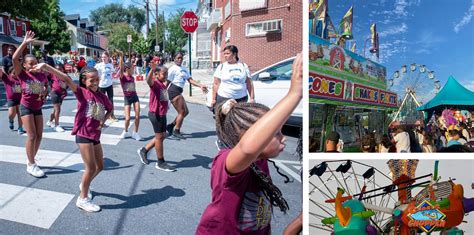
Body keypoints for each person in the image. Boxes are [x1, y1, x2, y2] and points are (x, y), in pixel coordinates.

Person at [196, 53, 302, 234]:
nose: (283, 137)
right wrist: (294, 94)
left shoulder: (260, 162)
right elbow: (247, 148)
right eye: (275, 133)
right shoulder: (226, 161)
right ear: (250, 136)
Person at [33, 63, 113, 212]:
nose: (95, 83)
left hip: (96, 135)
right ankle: (82, 199)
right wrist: (45, 66)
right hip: (83, 134)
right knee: (90, 168)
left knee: (100, 166)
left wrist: (103, 121)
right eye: (91, 80)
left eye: (97, 79)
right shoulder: (82, 92)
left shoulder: (102, 96)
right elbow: (66, 78)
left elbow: (110, 108)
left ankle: (84, 185)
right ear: (84, 81)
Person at [12, 31, 50, 177]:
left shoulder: (41, 74)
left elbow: (45, 86)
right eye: (31, 63)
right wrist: (25, 43)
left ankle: (30, 159)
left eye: (35, 63)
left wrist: (44, 94)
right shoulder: (22, 74)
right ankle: (31, 164)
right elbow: (15, 58)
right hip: (26, 107)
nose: (34, 65)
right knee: (32, 136)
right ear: (25, 65)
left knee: (40, 135)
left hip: (38, 108)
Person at [136, 62, 176, 172]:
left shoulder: (163, 85)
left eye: (167, 73)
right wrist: (151, 71)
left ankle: (144, 150)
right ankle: (160, 162)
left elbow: (164, 99)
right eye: (164, 74)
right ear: (157, 74)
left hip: (162, 114)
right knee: (159, 138)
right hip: (156, 114)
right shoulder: (156, 84)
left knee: (162, 136)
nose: (166, 75)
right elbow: (148, 81)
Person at [166, 52, 208, 138]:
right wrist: (162, 94)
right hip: (173, 91)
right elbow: (167, 82)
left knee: (186, 112)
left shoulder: (184, 69)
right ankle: (176, 130)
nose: (179, 59)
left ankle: (171, 126)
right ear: (174, 59)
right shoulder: (172, 69)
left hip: (179, 91)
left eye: (181, 58)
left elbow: (190, 80)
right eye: (178, 58)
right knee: (182, 112)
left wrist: (201, 85)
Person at [211, 45, 254, 110]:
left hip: (241, 99)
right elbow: (216, 83)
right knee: (225, 118)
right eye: (224, 54)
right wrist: (214, 99)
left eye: (228, 53)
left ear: (234, 54)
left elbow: (249, 83)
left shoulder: (243, 66)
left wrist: (252, 98)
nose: (225, 55)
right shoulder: (221, 66)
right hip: (224, 98)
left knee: (239, 118)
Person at [117, 52, 142, 140]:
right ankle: (126, 131)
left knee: (137, 116)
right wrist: (121, 57)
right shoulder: (122, 77)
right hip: (127, 98)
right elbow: (120, 69)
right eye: (132, 68)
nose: (133, 70)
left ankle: (135, 133)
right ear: (127, 69)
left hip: (135, 97)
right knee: (127, 118)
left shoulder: (132, 77)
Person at [1, 66, 25, 134]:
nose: (15, 74)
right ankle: (11, 120)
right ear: (10, 73)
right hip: (11, 99)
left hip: (21, 99)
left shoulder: (21, 79)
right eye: (13, 73)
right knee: (12, 113)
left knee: (20, 114)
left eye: (16, 73)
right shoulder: (7, 78)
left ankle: (20, 128)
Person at [46, 63, 68, 132]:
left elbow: (66, 86)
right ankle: (57, 125)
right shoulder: (53, 75)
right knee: (57, 109)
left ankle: (49, 121)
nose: (58, 71)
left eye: (60, 69)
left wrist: (64, 85)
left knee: (55, 110)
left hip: (61, 94)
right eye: (56, 69)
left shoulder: (66, 77)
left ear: (63, 70)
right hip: (54, 93)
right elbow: (46, 72)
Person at [95, 51, 117, 121]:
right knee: (101, 101)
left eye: (105, 57)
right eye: (102, 57)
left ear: (108, 57)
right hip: (101, 85)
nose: (103, 58)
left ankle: (111, 115)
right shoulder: (98, 65)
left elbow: (113, 72)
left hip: (109, 84)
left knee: (111, 100)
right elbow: (93, 71)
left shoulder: (110, 65)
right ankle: (100, 116)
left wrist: (114, 75)